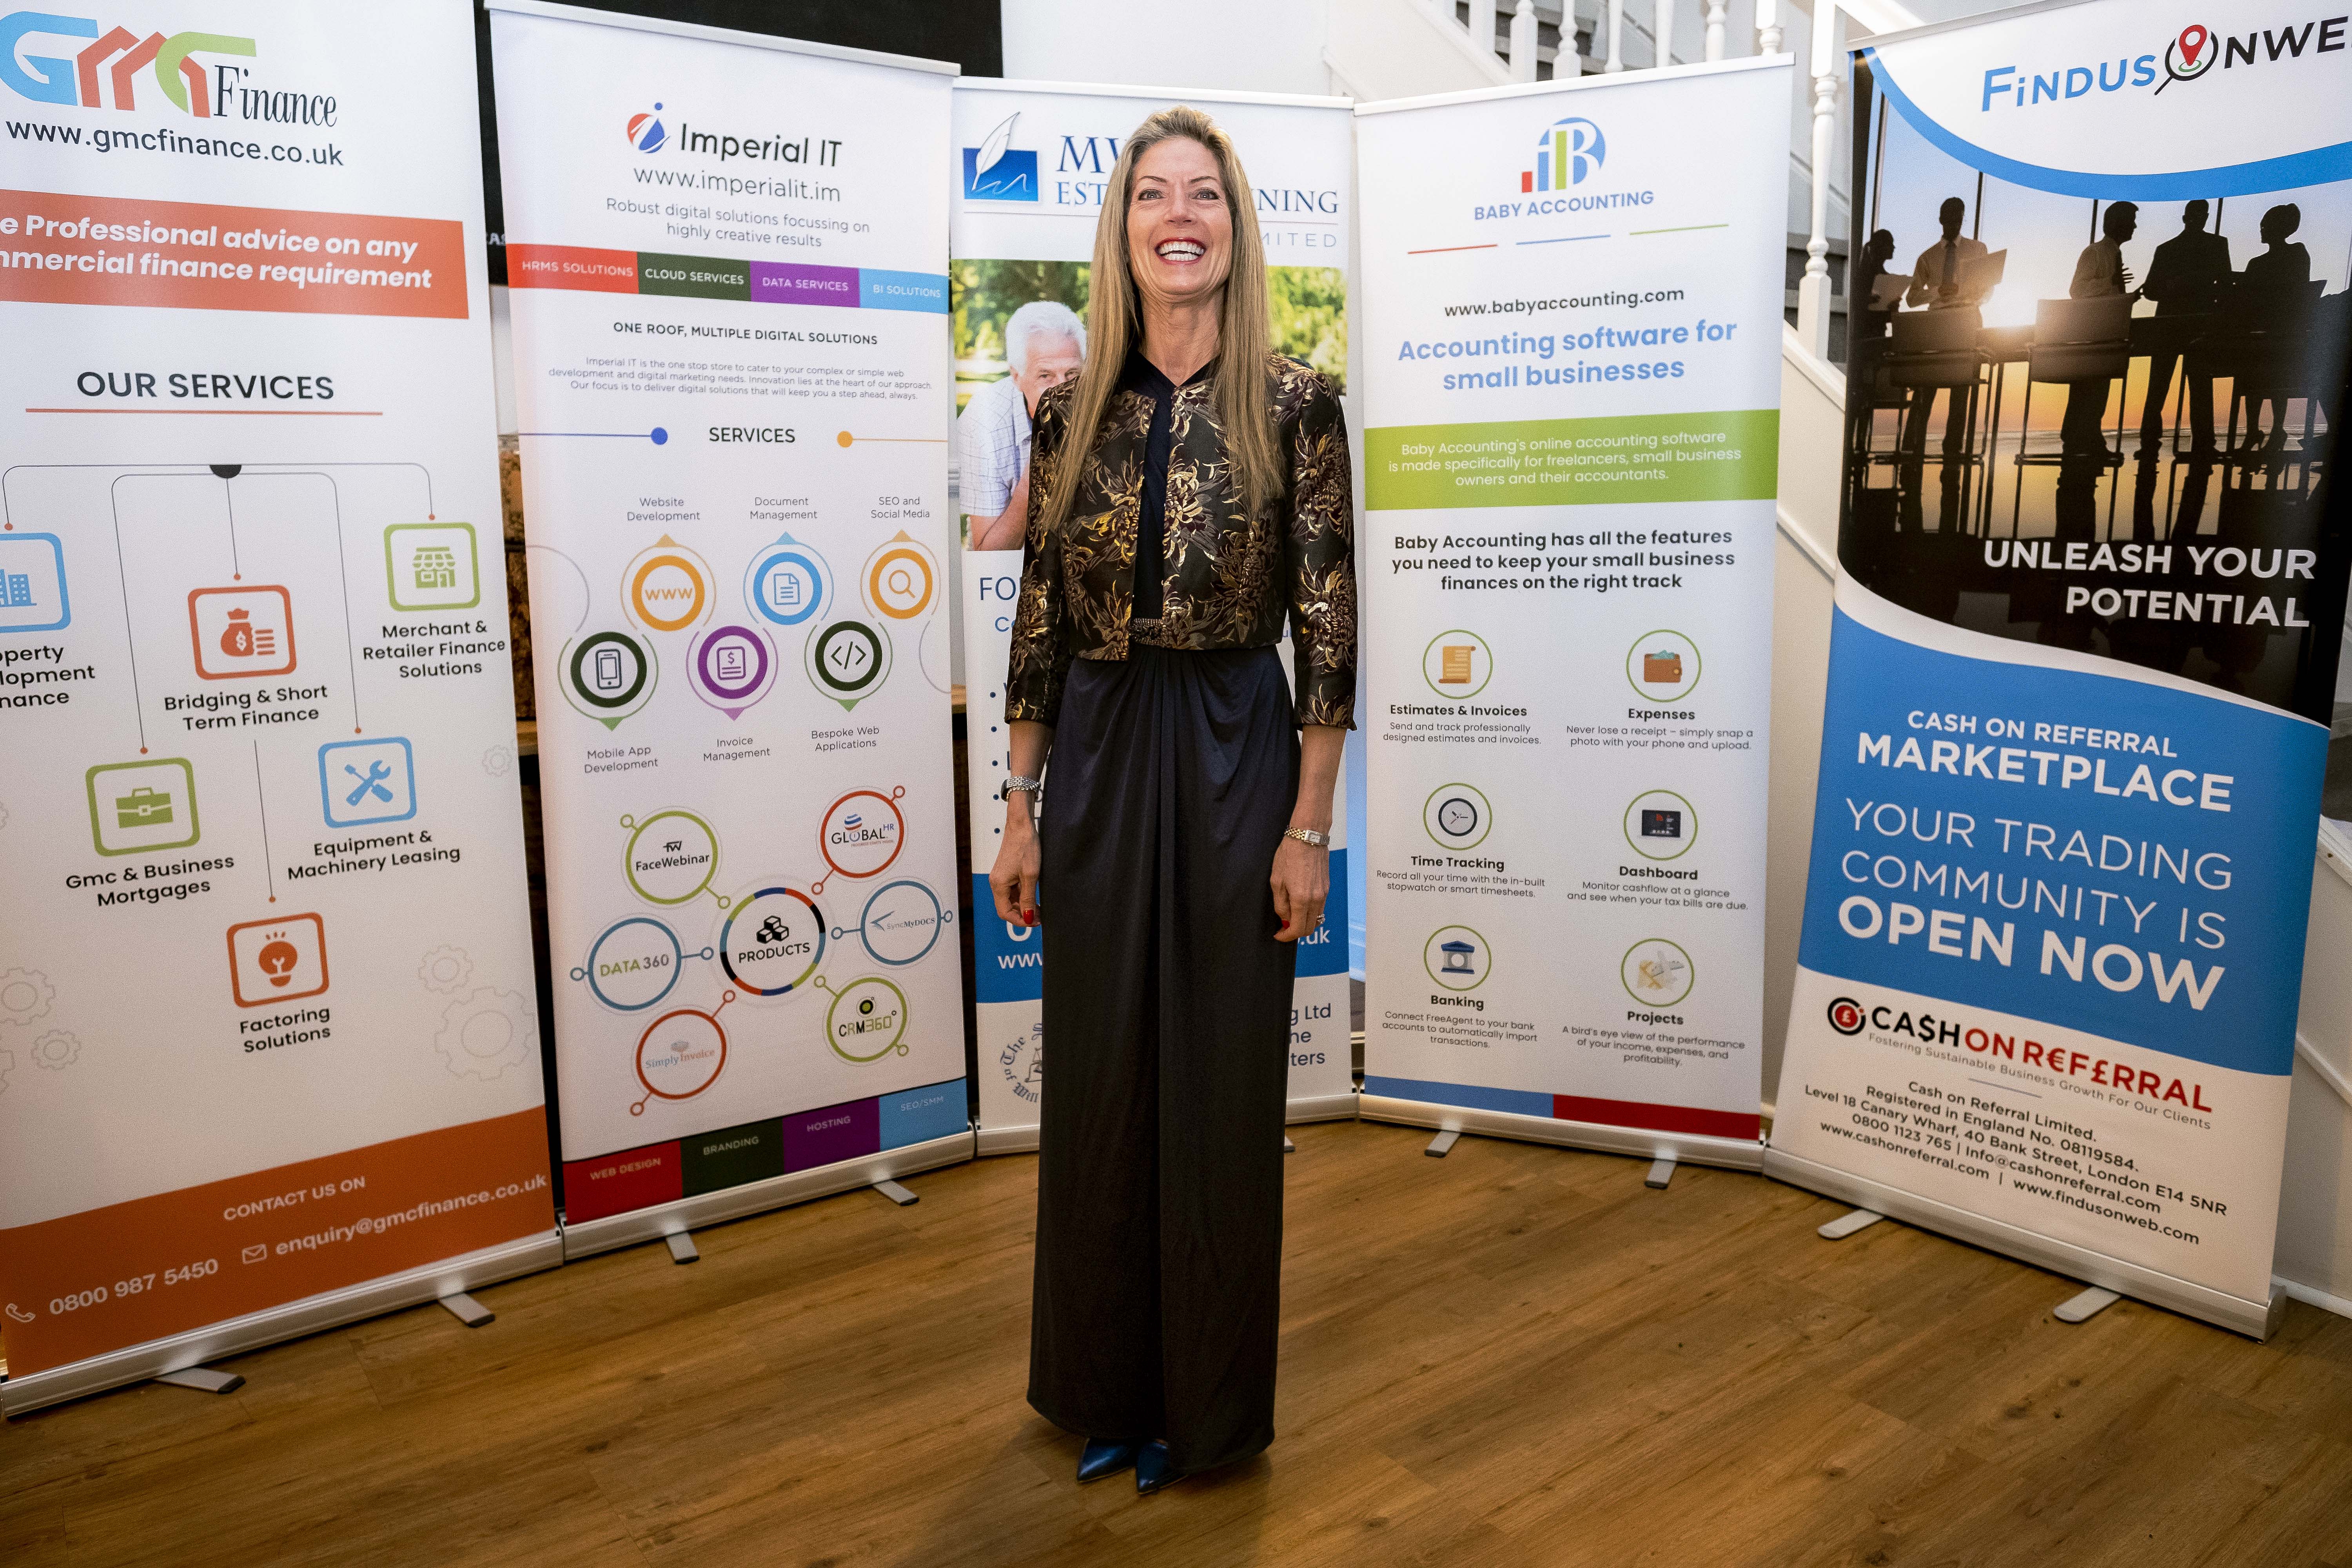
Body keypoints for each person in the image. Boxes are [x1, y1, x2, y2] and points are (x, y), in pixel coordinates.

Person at [989, 104, 1356, 1497]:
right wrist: (1017, 803)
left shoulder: (1294, 403)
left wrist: (1307, 827)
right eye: (1154, 193)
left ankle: (1202, 1410)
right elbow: (1037, 618)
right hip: (1094, 742)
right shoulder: (1064, 408)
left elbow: (1328, 628)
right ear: (1124, 225)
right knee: (1098, 1081)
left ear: (1234, 227)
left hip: (1230, 742)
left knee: (1215, 1080)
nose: (1179, 215)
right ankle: (1103, 1390)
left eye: (1204, 193)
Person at [2133, 200, 2229, 539]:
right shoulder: (2216, 245)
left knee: (2162, 385)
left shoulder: (2168, 249)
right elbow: (2224, 285)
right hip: (2195, 322)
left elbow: (2150, 290)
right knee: (2195, 385)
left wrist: (2174, 287)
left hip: (2171, 322)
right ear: (2196, 217)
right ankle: (2203, 442)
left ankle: (2151, 441)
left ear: (2186, 217)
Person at [960, 300, 1086, 551]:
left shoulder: (1107, 407)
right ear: (1017, 377)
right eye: (1045, 376)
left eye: (1072, 374)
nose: (1062, 390)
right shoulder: (983, 424)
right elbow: (989, 552)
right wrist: (1039, 468)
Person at [1897, 198, 1989, 529]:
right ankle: (1913, 449)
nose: (1955, 223)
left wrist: (1963, 294)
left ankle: (1954, 451)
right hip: (1936, 325)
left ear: (1963, 218)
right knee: (1925, 390)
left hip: (1966, 321)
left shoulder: (1978, 250)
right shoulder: (1928, 257)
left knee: (1962, 392)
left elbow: (1987, 290)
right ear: (1941, 219)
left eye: (1959, 217)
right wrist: (1940, 291)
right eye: (1950, 218)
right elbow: (1912, 298)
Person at [2060, 200, 2137, 459]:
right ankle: (2082, 440)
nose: (2135, 226)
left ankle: (2084, 440)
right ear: (2115, 224)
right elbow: (2077, 291)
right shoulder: (2095, 253)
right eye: (2131, 221)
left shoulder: (2111, 254)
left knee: (2096, 392)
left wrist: (2126, 299)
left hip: (2104, 333)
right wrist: (2111, 282)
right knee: (2090, 391)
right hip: (2093, 336)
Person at [2236, 203, 2312, 454]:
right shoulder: (2286, 258)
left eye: (2265, 226)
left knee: (2263, 370)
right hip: (2277, 333)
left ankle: (2264, 430)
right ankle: (2267, 430)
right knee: (2264, 369)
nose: (2262, 230)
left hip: (2277, 333)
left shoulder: (2269, 261)